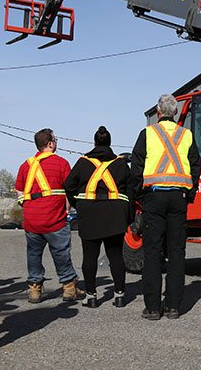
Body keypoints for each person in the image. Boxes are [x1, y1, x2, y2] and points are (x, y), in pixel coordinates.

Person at [130, 94, 201, 320]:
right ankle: (173, 307)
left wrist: (140, 194)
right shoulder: (186, 135)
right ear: (176, 113)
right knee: (177, 252)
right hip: (178, 199)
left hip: (154, 198)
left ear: (158, 113)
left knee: (152, 252)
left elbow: (136, 166)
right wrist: (188, 194)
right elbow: (196, 167)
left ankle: (152, 307)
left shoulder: (148, 134)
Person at [64, 126, 132, 308]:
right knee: (116, 255)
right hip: (115, 214)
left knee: (90, 256)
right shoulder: (121, 163)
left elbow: (68, 185)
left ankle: (91, 296)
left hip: (89, 213)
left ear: (94, 143)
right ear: (109, 143)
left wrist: (78, 204)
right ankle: (119, 295)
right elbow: (132, 189)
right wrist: (128, 215)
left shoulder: (82, 162)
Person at [15, 128, 84, 304]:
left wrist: (27, 204)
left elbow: (19, 190)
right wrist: (66, 209)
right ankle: (69, 288)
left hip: (32, 220)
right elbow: (70, 190)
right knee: (61, 253)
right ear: (51, 143)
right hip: (54, 218)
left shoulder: (26, 165)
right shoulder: (61, 163)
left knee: (34, 255)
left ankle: (34, 290)